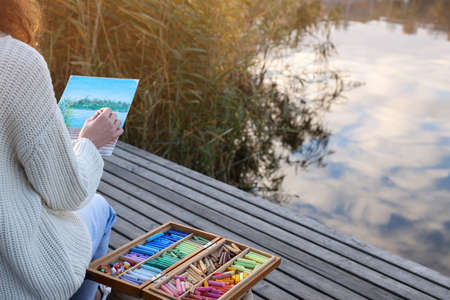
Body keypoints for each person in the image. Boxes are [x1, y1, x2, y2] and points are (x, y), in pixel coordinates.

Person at [0, 1, 119, 299]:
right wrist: (90, 142)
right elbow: (67, 193)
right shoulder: (18, 62)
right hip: (13, 279)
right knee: (101, 209)